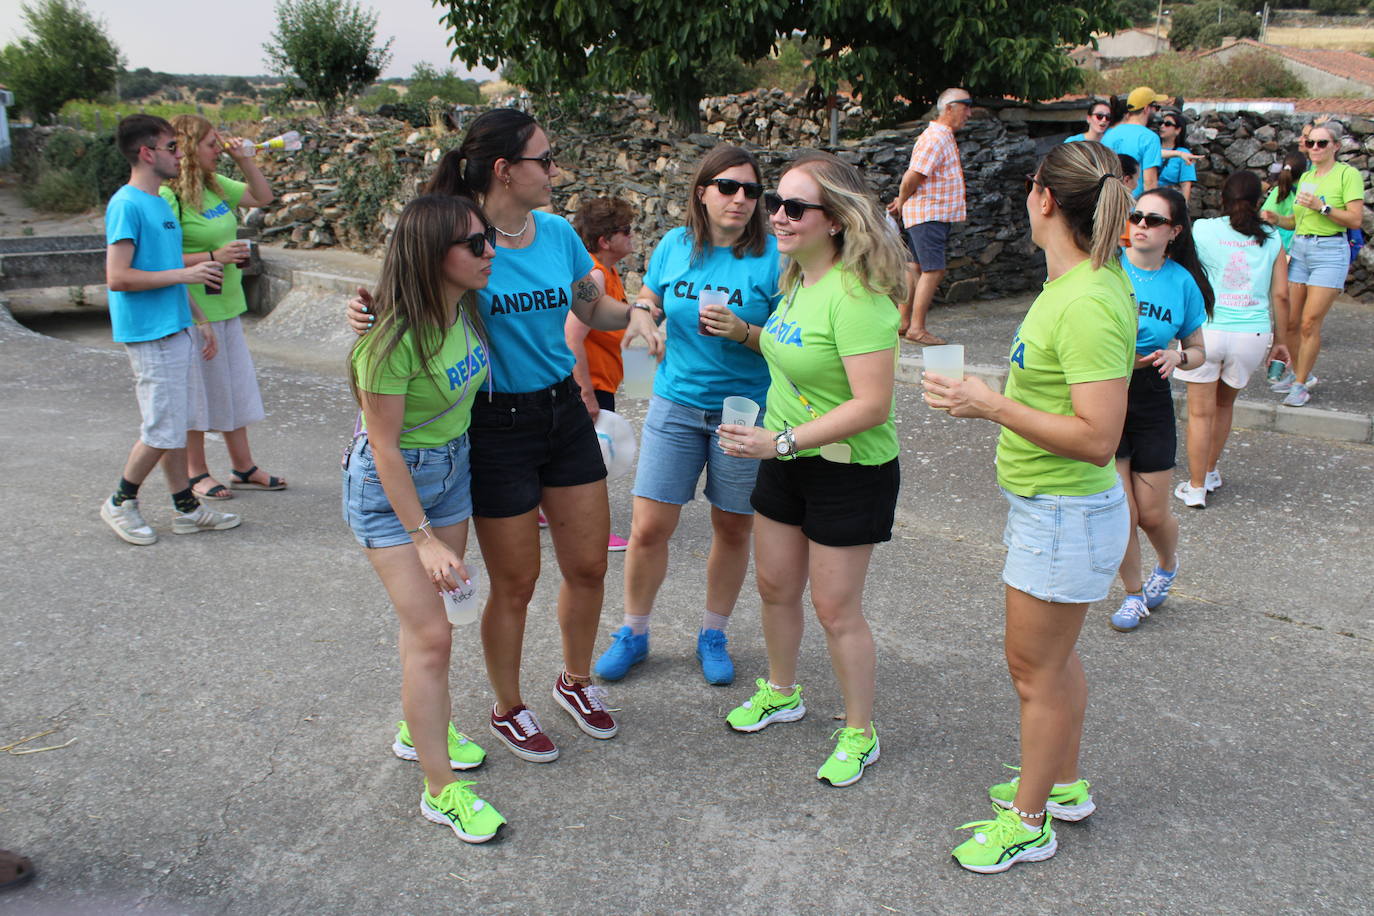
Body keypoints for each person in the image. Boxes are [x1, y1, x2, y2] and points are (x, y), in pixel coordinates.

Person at [348, 109, 660, 764]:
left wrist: (636, 313)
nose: (555, 171)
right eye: (545, 160)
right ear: (504, 170)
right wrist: (363, 311)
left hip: (563, 412)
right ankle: (508, 707)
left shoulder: (554, 233)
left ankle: (574, 683)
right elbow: (404, 302)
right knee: (515, 582)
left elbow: (588, 304)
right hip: (492, 423)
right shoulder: (460, 238)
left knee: (589, 564)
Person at [923, 140, 1135, 872]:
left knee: (1032, 671)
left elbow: (1098, 436)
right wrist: (990, 402)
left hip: (1064, 513)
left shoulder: (1085, 301)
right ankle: (1062, 783)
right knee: (1052, 661)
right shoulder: (1080, 286)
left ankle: (1029, 821)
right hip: (1055, 510)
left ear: (1042, 196)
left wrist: (990, 405)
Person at [716, 151, 905, 788]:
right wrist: (746, 334)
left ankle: (859, 730)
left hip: (847, 468)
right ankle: (782, 690)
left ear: (836, 220)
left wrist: (782, 442)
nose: (778, 216)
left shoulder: (860, 298)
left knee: (835, 608)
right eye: (777, 203)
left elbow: (871, 404)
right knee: (773, 586)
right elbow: (787, 348)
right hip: (786, 455)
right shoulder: (796, 279)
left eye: (796, 208)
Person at [344, 194, 505, 843]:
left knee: (429, 631)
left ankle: (420, 728)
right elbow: (382, 446)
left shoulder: (463, 305)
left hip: (451, 473)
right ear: (431, 256)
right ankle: (441, 792)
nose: (488, 250)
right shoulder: (391, 344)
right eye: (474, 244)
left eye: (487, 237)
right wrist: (424, 539)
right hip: (392, 493)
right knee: (434, 635)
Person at [593, 145, 780, 686]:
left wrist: (744, 332)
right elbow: (650, 296)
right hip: (675, 403)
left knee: (731, 525)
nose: (740, 199)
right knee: (650, 526)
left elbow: (794, 341)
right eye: (728, 187)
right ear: (702, 191)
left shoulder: (773, 256)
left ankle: (713, 632)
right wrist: (644, 316)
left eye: (751, 190)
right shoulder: (677, 245)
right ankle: (633, 631)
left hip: (744, 409)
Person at [100, 114, 241, 546]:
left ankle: (185, 508)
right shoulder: (126, 204)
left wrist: (198, 317)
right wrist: (186, 279)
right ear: (147, 153)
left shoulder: (160, 203)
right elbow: (118, 277)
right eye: (172, 148)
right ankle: (120, 502)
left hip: (176, 326)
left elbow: (167, 268)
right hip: (148, 333)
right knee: (162, 427)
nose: (180, 156)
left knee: (176, 424)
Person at [161, 114, 284, 501]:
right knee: (199, 395)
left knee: (234, 388)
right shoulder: (169, 197)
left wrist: (245, 158)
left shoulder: (214, 185)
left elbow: (263, 197)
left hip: (227, 305)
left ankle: (243, 466)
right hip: (195, 308)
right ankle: (197, 472)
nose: (219, 150)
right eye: (212, 144)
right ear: (189, 148)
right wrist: (213, 254)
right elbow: (160, 259)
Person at [1109, 188, 1211, 631]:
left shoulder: (1182, 282)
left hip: (1152, 394)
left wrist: (1178, 357)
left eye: (1154, 220)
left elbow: (1198, 351)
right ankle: (1133, 594)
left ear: (1174, 232)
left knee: (1151, 514)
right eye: (1136, 216)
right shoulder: (1108, 270)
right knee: (1121, 511)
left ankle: (1167, 565)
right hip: (1108, 389)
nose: (1142, 225)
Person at [1176, 171, 1289, 507]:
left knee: (1199, 413)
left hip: (1206, 330)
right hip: (1251, 333)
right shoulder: (1272, 237)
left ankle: (1196, 487)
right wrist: (1282, 341)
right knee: (1225, 405)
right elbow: (1281, 295)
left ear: (1221, 198)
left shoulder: (1203, 229)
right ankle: (1210, 471)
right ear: (1259, 202)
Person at [1272, 119, 1365, 407]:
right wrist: (1277, 220)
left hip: (1330, 250)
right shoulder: (1309, 176)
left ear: (1335, 146)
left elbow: (1355, 219)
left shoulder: (1347, 175)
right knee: (1289, 321)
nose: (1314, 147)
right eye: (1310, 142)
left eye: (1321, 143)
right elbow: (1296, 220)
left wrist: (1322, 207)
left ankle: (1300, 384)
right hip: (1302, 247)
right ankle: (1301, 374)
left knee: (1310, 322)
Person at [566, 196, 637, 551]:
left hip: (600, 379)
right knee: (596, 461)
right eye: (625, 230)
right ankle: (594, 531)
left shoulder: (602, 271)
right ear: (605, 240)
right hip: (591, 383)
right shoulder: (594, 273)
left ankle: (542, 513)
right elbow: (572, 334)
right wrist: (585, 392)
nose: (632, 236)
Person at [887, 87, 972, 345]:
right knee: (933, 270)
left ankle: (903, 323)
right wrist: (901, 202)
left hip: (925, 213)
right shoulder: (936, 137)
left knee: (914, 267)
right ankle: (917, 328)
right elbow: (913, 176)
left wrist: (903, 202)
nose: (969, 112)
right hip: (929, 214)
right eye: (965, 106)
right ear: (949, 108)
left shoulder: (940, 135)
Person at [1103, 86, 1167, 197]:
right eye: (1156, 107)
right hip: (1134, 208)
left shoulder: (1108, 135)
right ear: (1146, 108)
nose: (1157, 112)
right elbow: (1150, 182)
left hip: (1109, 205)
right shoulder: (1149, 138)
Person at [1260, 151, 1307, 254]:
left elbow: (1265, 218)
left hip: (1277, 249)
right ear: (1305, 171)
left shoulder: (1278, 191)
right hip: (1297, 248)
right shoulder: (1308, 191)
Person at [1155, 110, 1197, 203]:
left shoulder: (1184, 154)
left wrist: (1183, 207)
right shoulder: (1152, 149)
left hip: (1169, 201)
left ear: (1178, 130)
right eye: (1161, 123)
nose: (1162, 126)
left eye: (1168, 124)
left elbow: (1186, 184)